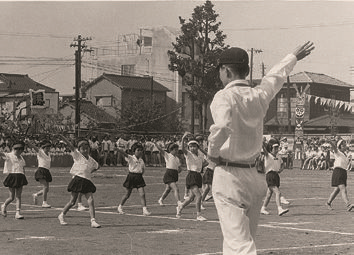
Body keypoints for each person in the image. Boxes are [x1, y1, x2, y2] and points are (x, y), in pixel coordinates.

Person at [207, 42, 315, 254]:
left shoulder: (224, 96)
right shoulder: (258, 95)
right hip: (255, 178)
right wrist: (292, 56)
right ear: (246, 70)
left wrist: (211, 156)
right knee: (240, 241)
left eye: (220, 69)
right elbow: (275, 76)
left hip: (229, 176)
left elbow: (221, 127)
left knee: (239, 245)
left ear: (226, 70)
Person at [57, 135, 101, 228]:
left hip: (87, 181)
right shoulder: (77, 155)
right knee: (72, 202)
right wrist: (62, 137)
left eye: (87, 148)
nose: (85, 150)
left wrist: (90, 172)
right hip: (78, 179)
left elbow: (98, 166)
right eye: (83, 149)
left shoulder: (91, 160)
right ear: (79, 150)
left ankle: (93, 220)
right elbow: (70, 145)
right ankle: (62, 215)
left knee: (91, 200)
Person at [176, 132, 208, 221]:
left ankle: (180, 206)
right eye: (190, 146)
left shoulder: (200, 155)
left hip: (198, 176)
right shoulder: (188, 154)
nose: (192, 148)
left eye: (194, 146)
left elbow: (207, 158)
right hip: (191, 176)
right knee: (199, 195)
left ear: (197, 147)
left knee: (191, 198)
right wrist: (183, 138)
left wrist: (201, 150)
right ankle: (198, 215)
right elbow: (182, 148)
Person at [116, 142, 151, 216]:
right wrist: (118, 150)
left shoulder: (141, 160)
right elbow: (124, 154)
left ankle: (144, 209)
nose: (140, 152)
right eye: (138, 150)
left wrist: (140, 175)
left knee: (142, 194)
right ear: (134, 151)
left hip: (139, 177)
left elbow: (143, 170)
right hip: (131, 177)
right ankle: (120, 206)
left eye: (141, 150)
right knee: (127, 194)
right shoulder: (131, 158)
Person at [260, 138, 289, 216]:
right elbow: (264, 149)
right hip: (270, 175)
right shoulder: (268, 155)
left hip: (276, 175)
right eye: (275, 148)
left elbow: (283, 164)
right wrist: (262, 142)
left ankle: (263, 208)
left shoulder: (278, 156)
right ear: (271, 148)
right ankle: (279, 208)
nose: (276, 149)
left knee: (269, 194)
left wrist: (281, 169)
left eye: (277, 148)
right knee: (277, 192)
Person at [0, 140, 28, 219]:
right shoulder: (8, 155)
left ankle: (18, 213)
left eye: (20, 149)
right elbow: (1, 153)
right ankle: (4, 206)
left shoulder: (22, 158)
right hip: (12, 176)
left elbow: (23, 168)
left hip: (20, 176)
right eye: (17, 149)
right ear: (13, 149)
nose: (18, 151)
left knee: (18, 196)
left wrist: (24, 176)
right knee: (11, 197)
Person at [326, 139, 354, 211]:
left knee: (337, 190)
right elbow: (334, 147)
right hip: (338, 171)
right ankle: (348, 204)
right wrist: (330, 142)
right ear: (340, 146)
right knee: (343, 189)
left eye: (345, 145)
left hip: (343, 172)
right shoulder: (337, 152)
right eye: (343, 145)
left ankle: (328, 203)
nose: (345, 146)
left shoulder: (346, 155)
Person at [155, 141, 183, 207]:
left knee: (168, 189)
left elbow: (179, 168)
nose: (177, 151)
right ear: (171, 150)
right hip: (169, 174)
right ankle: (179, 202)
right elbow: (160, 149)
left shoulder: (177, 159)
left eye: (177, 150)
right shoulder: (167, 155)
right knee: (176, 188)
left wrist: (179, 170)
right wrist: (155, 143)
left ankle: (161, 199)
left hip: (174, 174)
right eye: (175, 150)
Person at [27, 140, 53, 208]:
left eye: (49, 147)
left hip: (47, 171)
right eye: (46, 147)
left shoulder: (49, 154)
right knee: (45, 187)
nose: (48, 149)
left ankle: (36, 195)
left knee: (47, 189)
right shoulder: (40, 152)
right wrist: (28, 142)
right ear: (43, 148)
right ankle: (44, 203)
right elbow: (34, 147)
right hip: (41, 170)